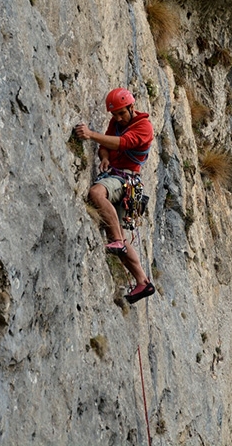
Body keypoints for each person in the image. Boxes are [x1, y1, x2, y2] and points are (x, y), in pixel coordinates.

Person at [75, 88, 156, 304]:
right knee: (116, 232)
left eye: (122, 113)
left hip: (126, 180)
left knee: (96, 192)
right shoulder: (116, 123)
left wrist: (90, 133)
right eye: (115, 115)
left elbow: (123, 143)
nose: (118, 118)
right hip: (118, 176)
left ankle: (118, 241)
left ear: (131, 107)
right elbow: (106, 145)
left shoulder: (144, 127)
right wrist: (104, 158)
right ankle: (142, 281)